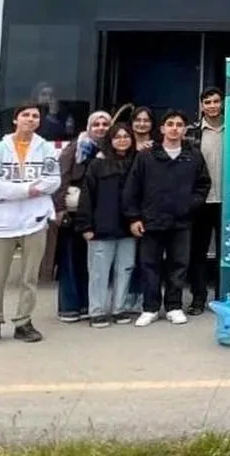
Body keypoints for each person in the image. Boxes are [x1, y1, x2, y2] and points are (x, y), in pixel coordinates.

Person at [123, 110, 211, 327]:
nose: (174, 128)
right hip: (151, 220)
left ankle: (174, 306)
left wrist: (191, 204)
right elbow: (132, 188)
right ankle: (150, 308)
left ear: (184, 129)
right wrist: (134, 217)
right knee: (149, 265)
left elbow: (203, 184)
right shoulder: (146, 156)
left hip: (182, 221)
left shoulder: (193, 156)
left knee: (179, 265)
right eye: (169, 124)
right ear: (161, 129)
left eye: (179, 124)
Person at [0, 104, 61, 346]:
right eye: (26, 115)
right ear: (16, 120)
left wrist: (18, 191)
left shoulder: (45, 148)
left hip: (34, 220)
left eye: (35, 116)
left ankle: (23, 321)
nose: (30, 119)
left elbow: (53, 181)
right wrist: (28, 189)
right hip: (1, 222)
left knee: (30, 276)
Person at [73, 123, 138, 327]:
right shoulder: (97, 165)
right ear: (110, 140)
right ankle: (97, 311)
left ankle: (119, 309)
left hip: (128, 227)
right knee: (99, 272)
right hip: (101, 228)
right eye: (117, 137)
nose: (122, 140)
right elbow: (87, 196)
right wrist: (85, 226)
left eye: (126, 136)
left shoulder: (138, 162)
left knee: (125, 268)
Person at [54, 110, 111, 322]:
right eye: (96, 124)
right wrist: (59, 208)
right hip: (74, 211)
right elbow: (61, 177)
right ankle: (69, 307)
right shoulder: (75, 147)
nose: (101, 128)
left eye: (105, 124)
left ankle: (88, 304)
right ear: (89, 127)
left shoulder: (111, 148)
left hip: (99, 213)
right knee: (70, 259)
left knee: (92, 262)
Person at [185, 88, 225, 315]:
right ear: (201, 105)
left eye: (216, 101)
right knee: (197, 252)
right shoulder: (192, 133)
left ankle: (221, 297)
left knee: (224, 252)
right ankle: (198, 298)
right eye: (207, 102)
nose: (212, 105)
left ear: (222, 104)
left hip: (227, 200)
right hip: (200, 201)